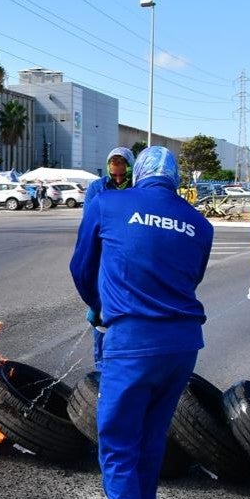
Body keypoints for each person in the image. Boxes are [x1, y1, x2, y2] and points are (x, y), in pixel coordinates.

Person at [69, 146, 213, 499]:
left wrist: (98, 307)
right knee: (151, 437)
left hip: (132, 342)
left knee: (116, 442)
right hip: (182, 345)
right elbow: (191, 278)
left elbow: (81, 267)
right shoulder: (200, 224)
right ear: (174, 177)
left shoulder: (107, 203)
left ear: (139, 173)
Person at [83, 146, 136, 367]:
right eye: (114, 174)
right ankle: (101, 371)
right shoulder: (97, 187)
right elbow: (89, 224)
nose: (118, 179)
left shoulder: (138, 187)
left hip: (132, 256)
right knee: (102, 319)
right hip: (106, 253)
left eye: (122, 174)